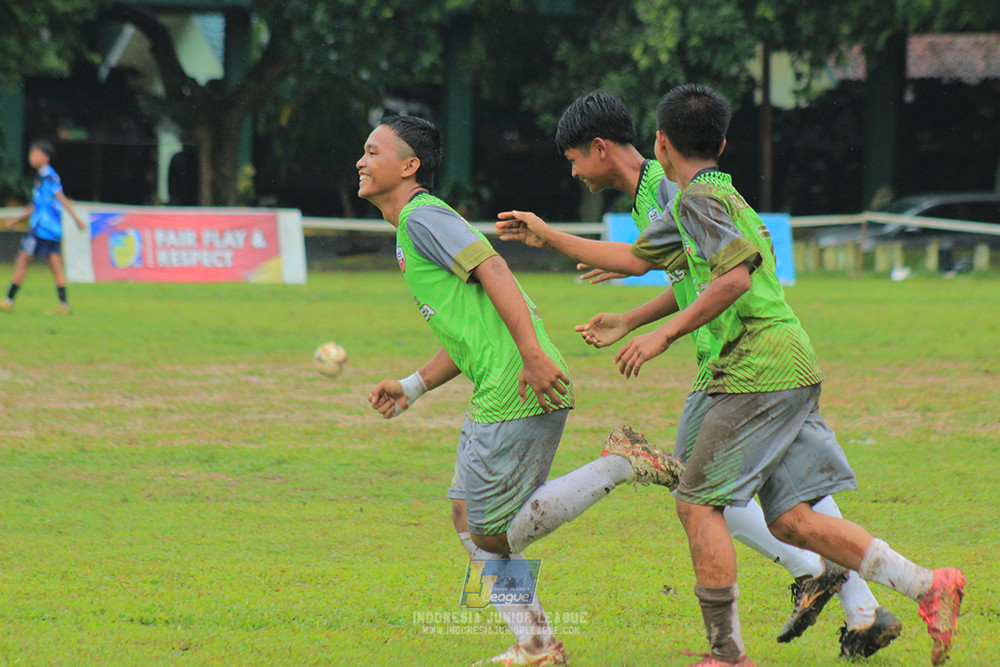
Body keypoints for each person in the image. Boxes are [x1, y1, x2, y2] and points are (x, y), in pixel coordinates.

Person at [502, 84, 966, 666]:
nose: (573, 171)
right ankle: (927, 587)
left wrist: (661, 334)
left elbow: (734, 278)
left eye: (573, 159)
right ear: (720, 143)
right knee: (794, 518)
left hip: (754, 365)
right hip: (773, 361)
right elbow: (638, 259)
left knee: (698, 502)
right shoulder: (700, 194)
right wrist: (549, 239)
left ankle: (728, 655)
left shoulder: (689, 197)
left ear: (660, 142)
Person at [357, 114, 684, 667]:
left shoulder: (422, 217)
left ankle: (618, 464)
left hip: (517, 385)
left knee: (491, 535)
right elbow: (468, 330)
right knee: (465, 512)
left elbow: (496, 270)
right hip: (504, 380)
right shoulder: (413, 228)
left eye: (372, 151)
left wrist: (531, 354)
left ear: (409, 167)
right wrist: (413, 386)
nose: (361, 162)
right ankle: (535, 646)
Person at [1, 140, 86, 315]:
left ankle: (8, 300)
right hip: (53, 229)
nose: (32, 157)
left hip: (42, 228)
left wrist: (76, 218)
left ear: (45, 157)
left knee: (22, 259)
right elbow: (38, 205)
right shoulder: (43, 176)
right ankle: (64, 305)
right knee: (55, 265)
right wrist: (17, 218)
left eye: (36, 154)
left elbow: (61, 198)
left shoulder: (48, 176)